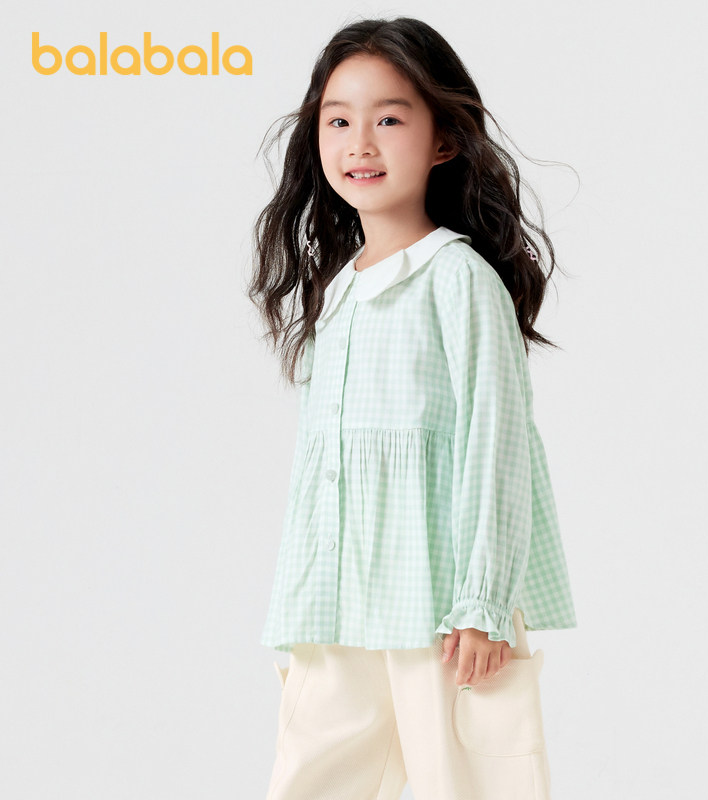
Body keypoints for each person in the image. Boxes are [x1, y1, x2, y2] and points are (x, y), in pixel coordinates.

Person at [248, 15, 578, 800]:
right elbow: (322, 471)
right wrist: (302, 598)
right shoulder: (340, 294)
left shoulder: (458, 281)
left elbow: (495, 444)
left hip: (441, 611)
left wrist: (483, 603)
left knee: (465, 784)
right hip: (339, 609)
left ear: (443, 141)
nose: (360, 143)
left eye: (389, 119)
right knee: (308, 781)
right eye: (338, 121)